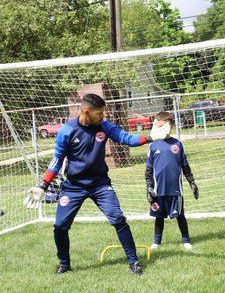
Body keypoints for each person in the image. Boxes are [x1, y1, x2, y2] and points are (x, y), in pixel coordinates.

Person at [24, 93, 151, 275]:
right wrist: (43, 185)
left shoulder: (104, 126)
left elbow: (127, 139)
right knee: (60, 226)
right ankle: (64, 264)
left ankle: (134, 262)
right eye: (99, 113)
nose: (102, 116)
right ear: (86, 111)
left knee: (118, 219)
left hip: (100, 184)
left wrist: (150, 136)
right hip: (74, 186)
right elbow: (57, 160)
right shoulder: (67, 131)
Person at [145, 111, 199, 250]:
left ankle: (186, 240)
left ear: (171, 126)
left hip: (175, 189)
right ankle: (156, 242)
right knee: (159, 216)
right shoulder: (153, 146)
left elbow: (185, 165)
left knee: (180, 215)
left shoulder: (178, 144)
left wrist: (192, 182)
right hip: (158, 190)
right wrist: (149, 186)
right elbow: (149, 169)